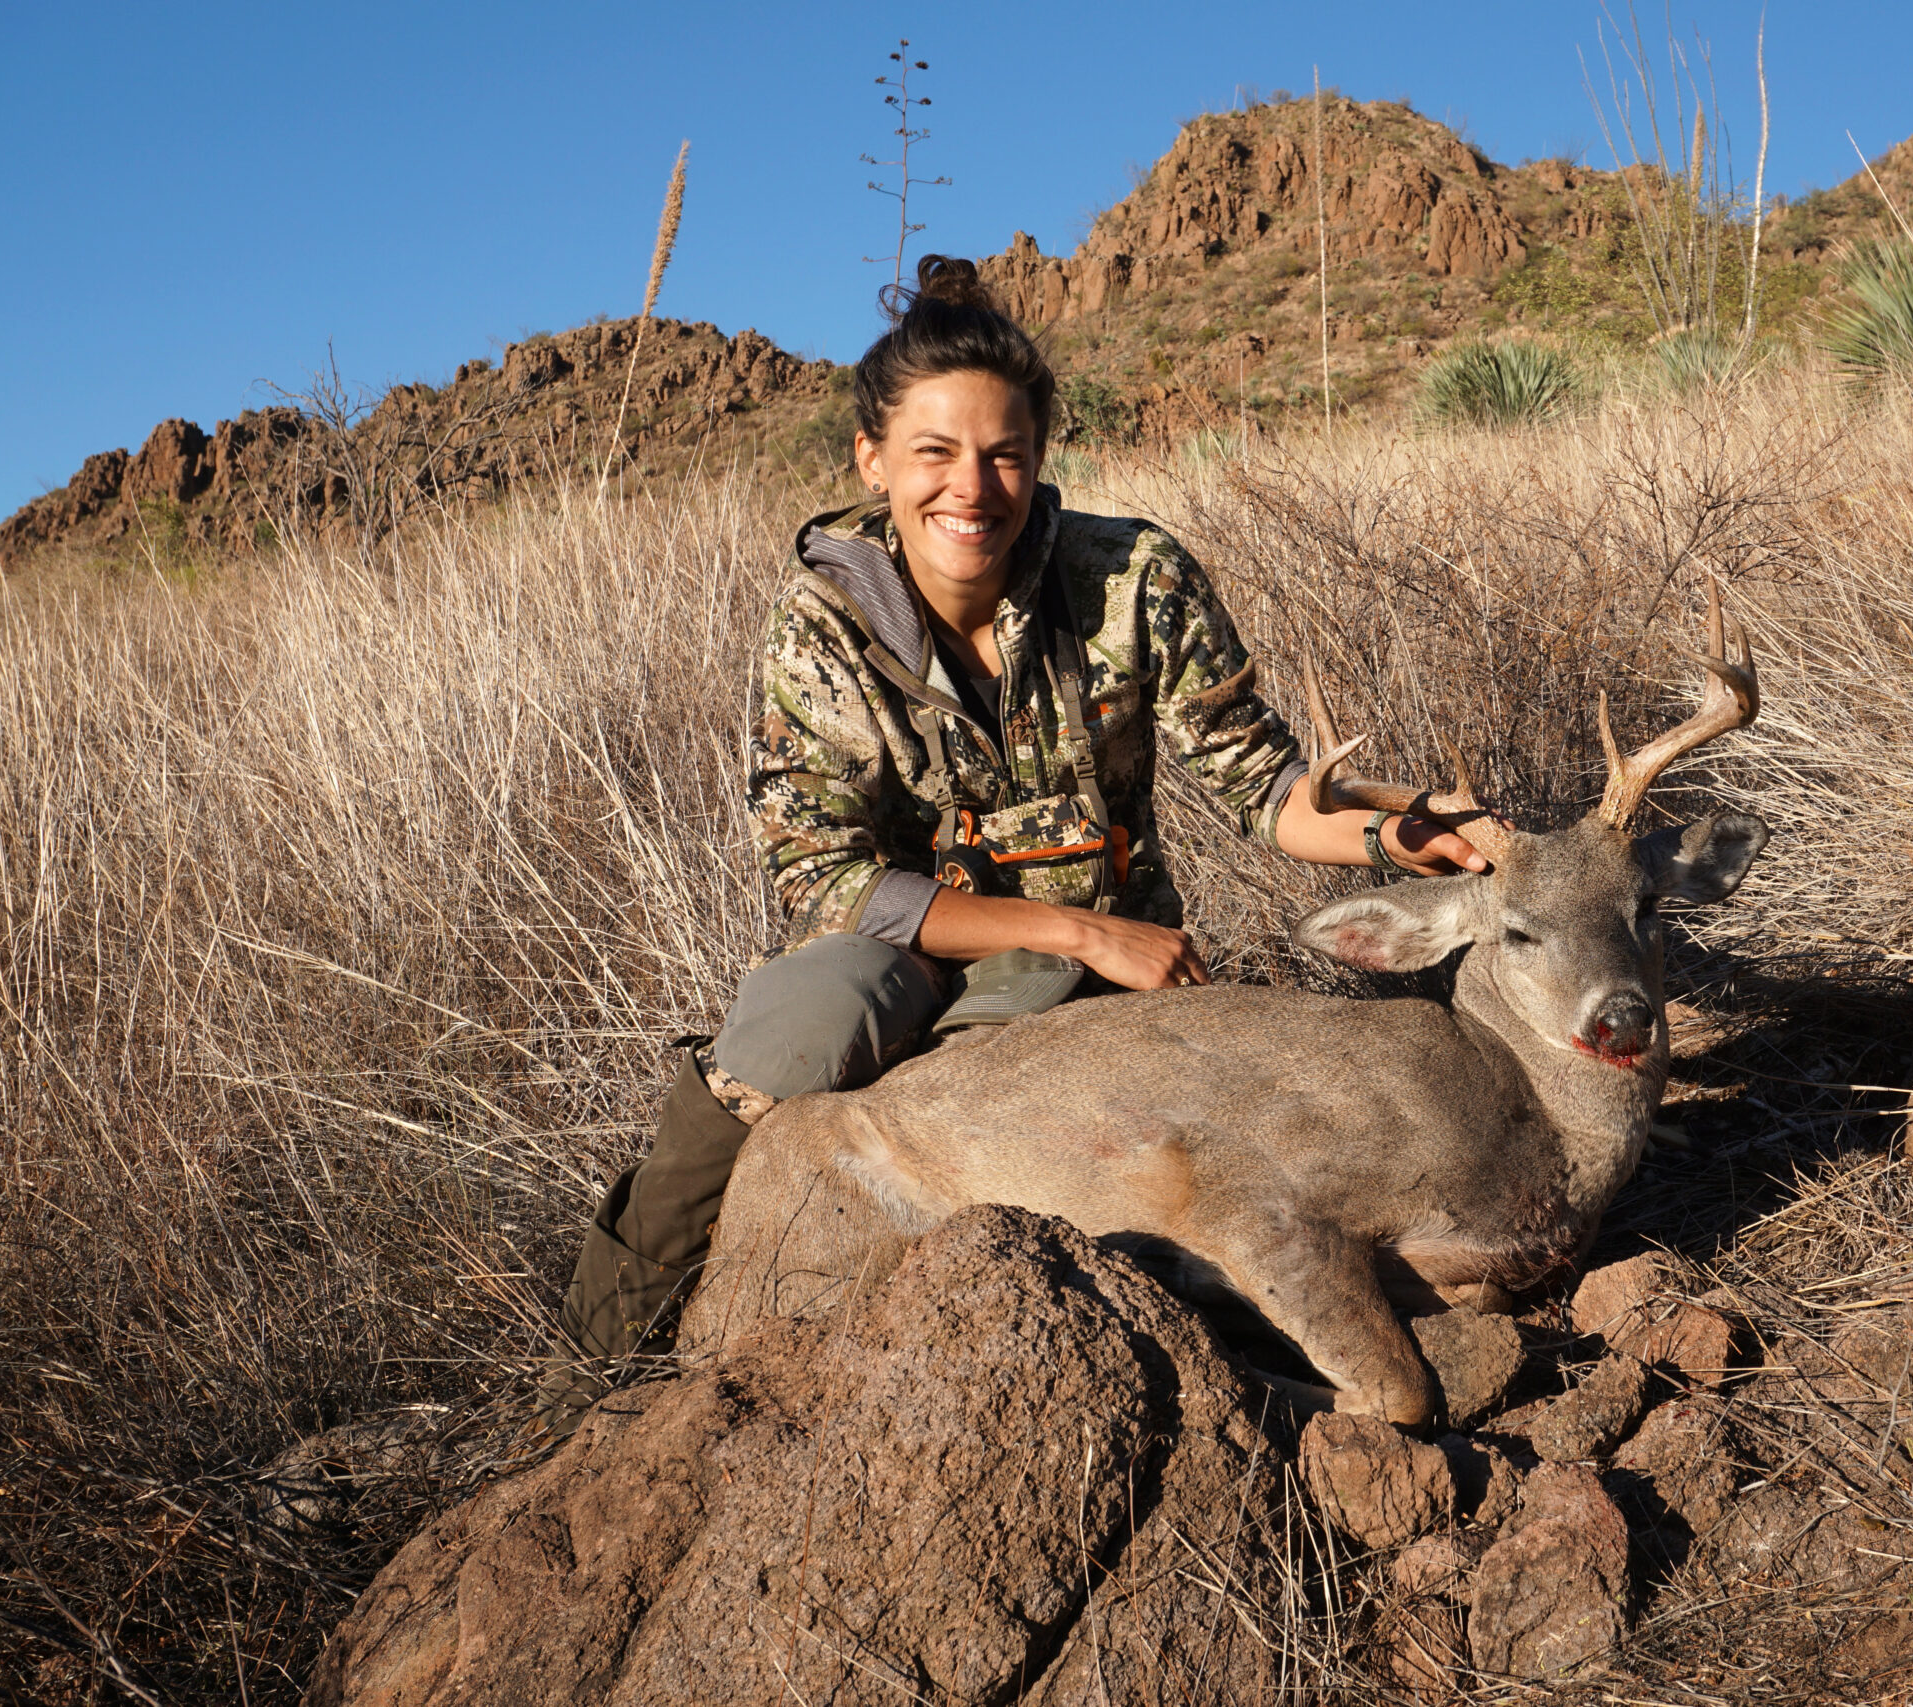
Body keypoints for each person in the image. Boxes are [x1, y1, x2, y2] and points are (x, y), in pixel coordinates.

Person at [537, 255, 1487, 1435]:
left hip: (1087, 977)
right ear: (871, 459)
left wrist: (1397, 838)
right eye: (933, 453)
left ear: (1040, 457)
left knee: (1074, 1129)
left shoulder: (1133, 578)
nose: (971, 488)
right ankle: (590, 1363)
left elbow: (1266, 786)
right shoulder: (822, 620)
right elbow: (821, 874)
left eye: (1004, 454)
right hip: (910, 943)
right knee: (800, 1030)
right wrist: (1079, 924)